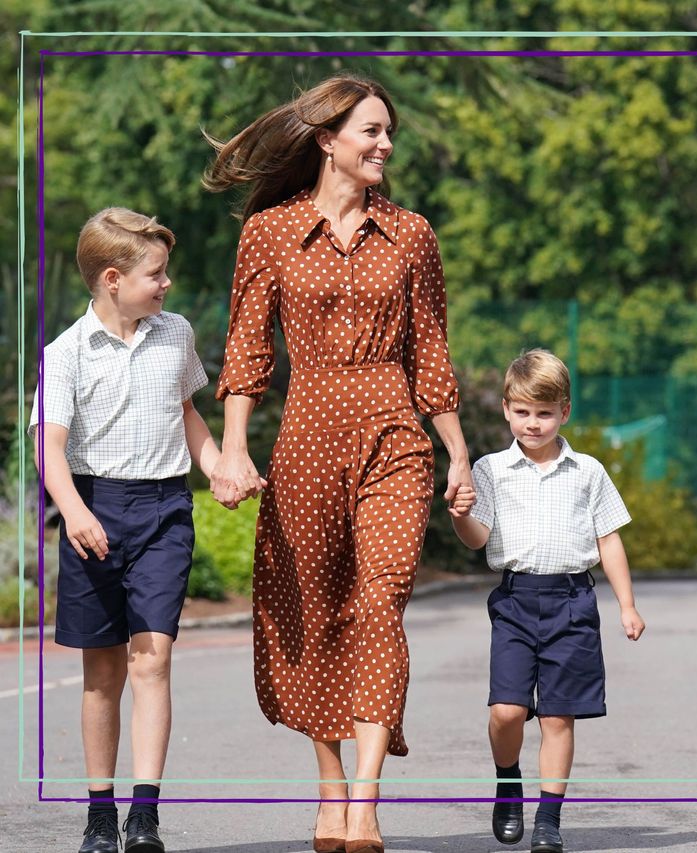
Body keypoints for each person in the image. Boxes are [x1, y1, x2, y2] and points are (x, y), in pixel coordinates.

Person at [203, 74, 472, 853]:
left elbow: (432, 355)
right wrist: (231, 447)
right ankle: (328, 785)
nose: (385, 145)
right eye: (371, 132)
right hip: (308, 436)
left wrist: (457, 452)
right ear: (327, 139)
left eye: (389, 133)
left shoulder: (413, 233)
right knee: (312, 610)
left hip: (395, 434)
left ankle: (365, 798)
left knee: (380, 603)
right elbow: (247, 351)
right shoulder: (271, 234)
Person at [30, 208, 223, 853]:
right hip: (94, 509)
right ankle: (99, 812)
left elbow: (188, 411)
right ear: (113, 279)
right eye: (156, 275)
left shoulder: (176, 334)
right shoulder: (65, 355)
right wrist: (76, 512)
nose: (166, 285)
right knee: (102, 672)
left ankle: (145, 814)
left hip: (166, 510)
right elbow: (49, 451)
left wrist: (217, 465)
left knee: (154, 658)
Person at [450, 349, 645, 853]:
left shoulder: (588, 471)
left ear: (565, 412)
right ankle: (508, 780)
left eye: (543, 413)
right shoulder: (490, 470)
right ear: (505, 409)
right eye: (522, 412)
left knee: (559, 716)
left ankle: (549, 821)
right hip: (516, 602)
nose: (532, 423)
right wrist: (458, 515)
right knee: (507, 712)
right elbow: (477, 539)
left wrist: (626, 604)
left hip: (573, 602)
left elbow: (609, 540)